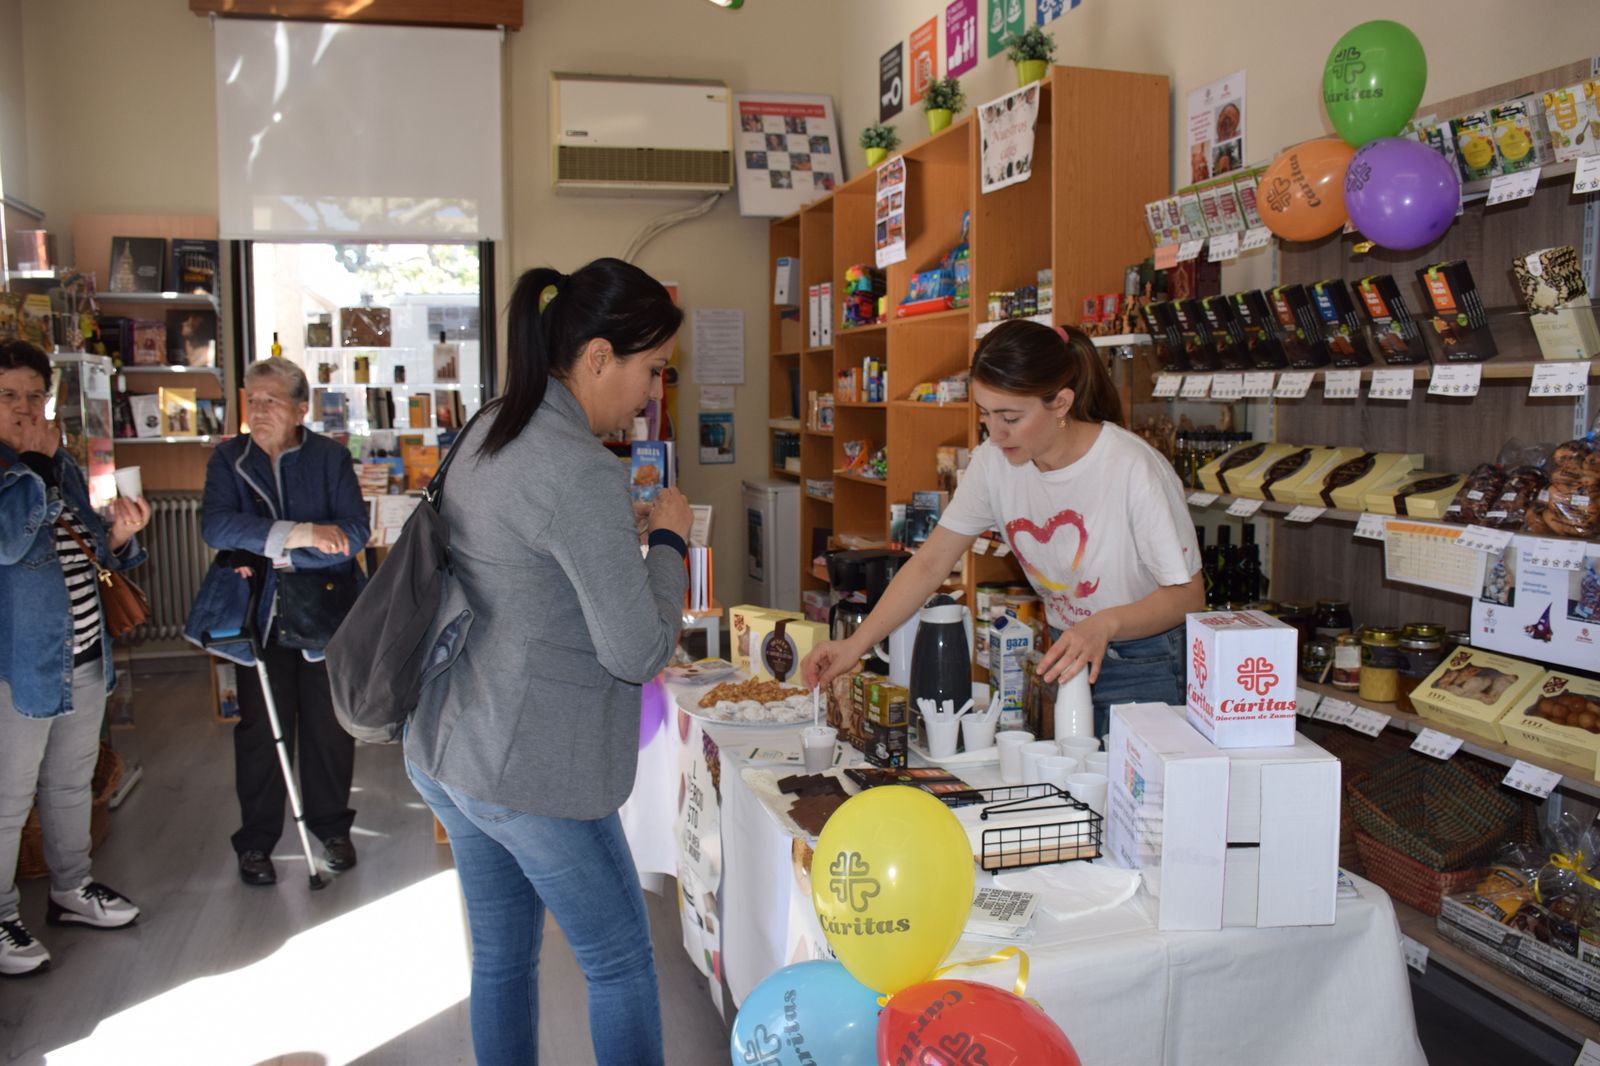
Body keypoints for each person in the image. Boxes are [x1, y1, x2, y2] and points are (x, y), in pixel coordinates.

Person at [405, 258, 689, 1066]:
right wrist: (667, 541)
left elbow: (523, 563)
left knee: (501, 959)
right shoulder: (581, 469)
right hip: (532, 768)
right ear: (598, 356)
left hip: (453, 744)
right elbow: (637, 650)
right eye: (653, 370)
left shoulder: (492, 424)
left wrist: (612, 535)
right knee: (621, 963)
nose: (652, 392)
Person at [803, 321, 1204, 735]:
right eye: (986, 414)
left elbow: (1189, 596)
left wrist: (1106, 623)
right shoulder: (994, 462)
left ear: (1061, 403)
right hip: (1067, 651)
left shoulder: (1132, 468)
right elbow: (930, 564)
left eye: (1010, 416)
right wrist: (855, 645)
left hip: (1146, 659)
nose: (995, 432)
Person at [187, 357, 369, 887]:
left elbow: (353, 533)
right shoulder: (229, 459)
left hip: (324, 610)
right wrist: (304, 533)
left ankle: (332, 827)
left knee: (328, 726)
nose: (258, 410)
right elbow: (217, 527)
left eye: (270, 400)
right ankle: (257, 841)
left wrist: (280, 550)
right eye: (252, 399)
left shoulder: (330, 458)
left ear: (300, 408)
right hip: (258, 613)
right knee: (260, 730)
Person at [0, 339, 148, 976]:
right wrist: (32, 462)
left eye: (35, 396)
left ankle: (70, 889)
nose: (26, 409)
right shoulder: (29, 464)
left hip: (85, 653)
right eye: (9, 396)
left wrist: (117, 534)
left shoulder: (53, 463)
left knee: (69, 781)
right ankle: (3, 915)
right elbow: (8, 544)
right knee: (9, 797)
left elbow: (89, 545)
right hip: (21, 665)